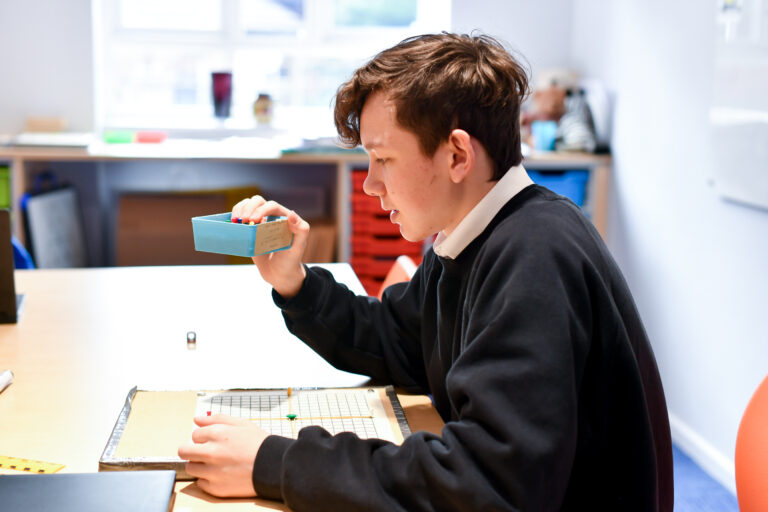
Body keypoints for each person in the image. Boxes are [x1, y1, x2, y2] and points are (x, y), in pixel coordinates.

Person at [178, 32, 674, 511]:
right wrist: (296, 282)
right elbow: (399, 341)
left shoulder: (535, 255)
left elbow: (489, 486)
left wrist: (276, 463)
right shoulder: (469, 233)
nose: (371, 185)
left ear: (457, 155)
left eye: (383, 159)